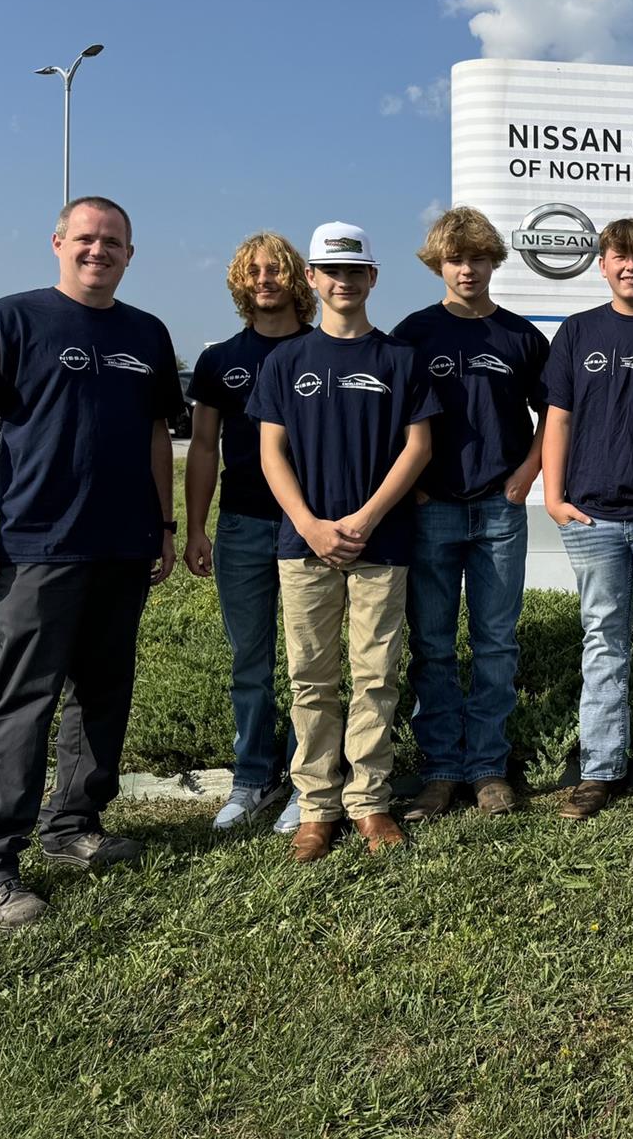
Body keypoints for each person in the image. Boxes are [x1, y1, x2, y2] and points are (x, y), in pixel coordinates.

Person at [0, 195, 184, 930]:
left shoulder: (148, 333)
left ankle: (73, 825)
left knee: (104, 693)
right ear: (57, 242)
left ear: (130, 254)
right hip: (39, 546)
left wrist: (165, 524)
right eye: (86, 238)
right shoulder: (13, 319)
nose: (98, 250)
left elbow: (154, 437)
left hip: (124, 545)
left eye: (113, 241)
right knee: (22, 700)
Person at [250, 221, 438, 862]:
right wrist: (308, 523)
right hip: (303, 545)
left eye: (354, 271)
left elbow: (419, 446)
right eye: (331, 271)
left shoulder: (398, 359)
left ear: (371, 279)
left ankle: (369, 801)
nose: (343, 281)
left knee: (376, 675)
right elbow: (271, 451)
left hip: (380, 543)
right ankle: (316, 805)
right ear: (312, 278)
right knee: (310, 678)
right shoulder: (285, 362)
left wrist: (365, 517)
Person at [391, 207, 550, 822]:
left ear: (493, 261)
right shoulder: (413, 334)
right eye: (455, 259)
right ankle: (439, 771)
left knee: (494, 644)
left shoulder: (520, 337)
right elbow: (392, 422)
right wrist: (416, 489)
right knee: (431, 645)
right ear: (438, 264)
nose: (467, 268)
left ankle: (487, 767)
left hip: (498, 510)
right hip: (431, 512)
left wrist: (525, 475)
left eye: (478, 257)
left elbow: (554, 416)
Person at [542, 217, 633, 821]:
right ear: (601, 264)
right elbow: (557, 418)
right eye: (619, 257)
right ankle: (600, 770)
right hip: (591, 516)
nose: (630, 267)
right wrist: (554, 497)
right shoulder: (577, 332)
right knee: (602, 642)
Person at [184, 232, 317, 834]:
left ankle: (306, 780)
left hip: (308, 526)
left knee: (309, 661)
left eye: (277, 270)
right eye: (254, 272)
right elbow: (202, 448)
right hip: (241, 524)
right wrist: (194, 528)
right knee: (251, 661)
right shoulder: (219, 360)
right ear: (241, 281)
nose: (265, 280)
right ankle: (252, 778)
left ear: (298, 279)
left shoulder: (326, 350)